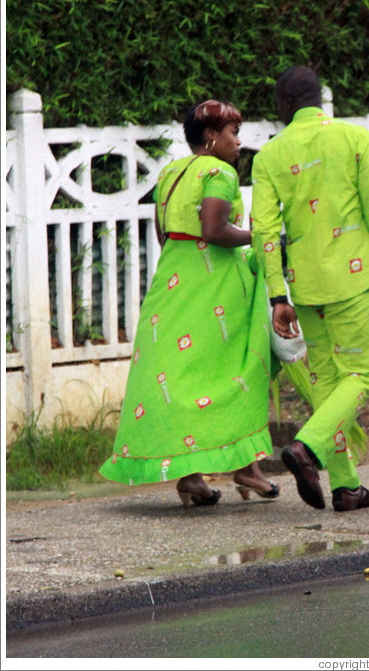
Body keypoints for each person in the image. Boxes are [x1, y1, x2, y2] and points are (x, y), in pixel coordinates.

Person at [251, 67, 369, 512]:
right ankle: (306, 449)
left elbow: (264, 232)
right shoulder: (355, 140)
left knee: (328, 385)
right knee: (360, 376)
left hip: (305, 289)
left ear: (285, 104)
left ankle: (348, 487)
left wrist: (278, 296)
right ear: (320, 98)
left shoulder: (269, 157)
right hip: (352, 284)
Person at [100, 99, 280, 506]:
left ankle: (191, 478)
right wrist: (259, 235)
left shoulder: (169, 173)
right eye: (234, 133)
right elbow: (214, 230)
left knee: (180, 380)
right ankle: (248, 469)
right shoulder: (219, 171)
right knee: (239, 369)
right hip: (214, 290)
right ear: (212, 137)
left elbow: (165, 234)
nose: (238, 143)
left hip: (172, 285)